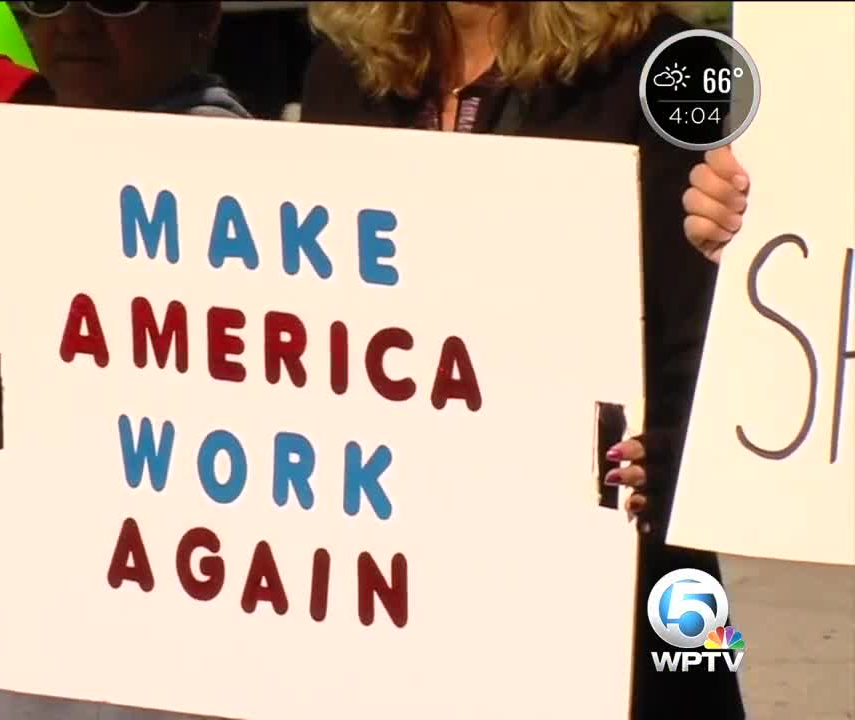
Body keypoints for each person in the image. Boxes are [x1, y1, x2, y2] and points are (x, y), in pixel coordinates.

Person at [295, 2, 747, 719]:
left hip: (626, 528)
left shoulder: (672, 59)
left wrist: (678, 457)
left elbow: (718, 309)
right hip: (398, 543)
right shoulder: (341, 72)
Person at [0, 2, 250, 718]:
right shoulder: (43, 123)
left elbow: (87, 279)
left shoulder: (224, 171)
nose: (73, 24)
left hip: (101, 667)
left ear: (202, 18)